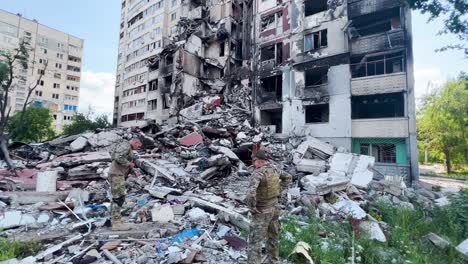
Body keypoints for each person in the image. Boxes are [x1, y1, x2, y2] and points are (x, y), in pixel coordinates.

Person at [246, 149, 292, 264]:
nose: (254, 163)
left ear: (260, 161)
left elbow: (251, 194)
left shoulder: (258, 173)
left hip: (262, 210)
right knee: (274, 236)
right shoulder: (275, 170)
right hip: (275, 208)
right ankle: (273, 260)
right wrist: (279, 191)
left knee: (255, 241)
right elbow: (288, 177)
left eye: (255, 160)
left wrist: (252, 208)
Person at [109, 138, 143, 231]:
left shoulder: (127, 147)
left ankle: (114, 220)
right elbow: (118, 157)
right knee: (118, 198)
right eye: (138, 146)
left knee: (118, 198)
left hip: (118, 174)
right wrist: (129, 164)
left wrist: (132, 170)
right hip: (117, 175)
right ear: (136, 142)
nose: (138, 148)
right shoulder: (126, 146)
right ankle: (116, 224)